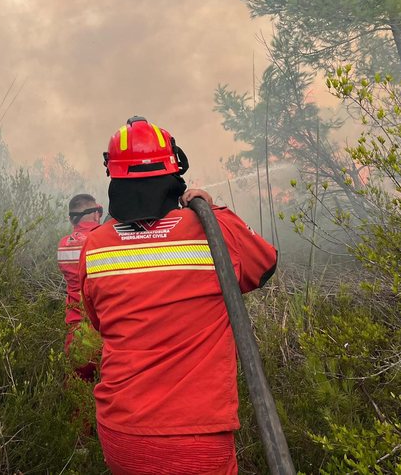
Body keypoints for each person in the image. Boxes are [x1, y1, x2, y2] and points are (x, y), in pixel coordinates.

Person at [78, 116, 278, 475]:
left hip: (121, 435)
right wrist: (212, 209)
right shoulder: (210, 229)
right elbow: (264, 263)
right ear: (175, 170)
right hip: (195, 438)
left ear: (114, 177)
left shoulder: (96, 245)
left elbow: (98, 320)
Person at [57, 193, 104, 381]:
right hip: (103, 330)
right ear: (95, 214)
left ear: (71, 218)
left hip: (76, 332)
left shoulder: (63, 245)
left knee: (78, 397)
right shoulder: (103, 240)